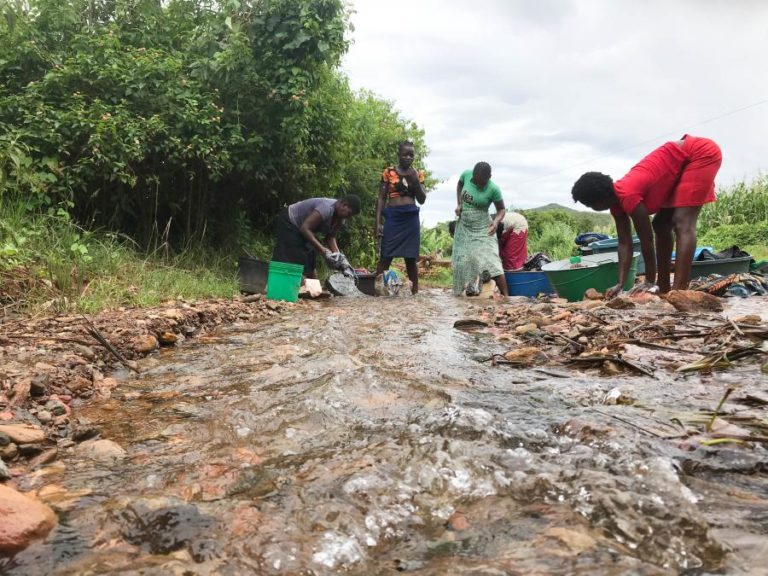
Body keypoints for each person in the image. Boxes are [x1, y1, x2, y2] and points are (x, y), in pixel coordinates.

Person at [571, 135, 722, 296]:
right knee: (661, 225)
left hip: (699, 153)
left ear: (599, 199)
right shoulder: (616, 204)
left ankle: (679, 292)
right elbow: (624, 243)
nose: (592, 208)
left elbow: (647, 240)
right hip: (681, 164)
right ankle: (663, 288)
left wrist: (648, 280)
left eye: (589, 205)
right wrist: (620, 284)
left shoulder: (628, 194)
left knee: (683, 222)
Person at [375, 141, 427, 294]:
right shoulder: (388, 172)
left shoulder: (418, 174)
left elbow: (422, 199)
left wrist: (415, 180)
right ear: (398, 155)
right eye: (405, 154)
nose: (408, 157)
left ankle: (415, 293)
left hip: (410, 218)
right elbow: (381, 198)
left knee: (410, 258)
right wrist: (377, 222)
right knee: (386, 255)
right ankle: (376, 291)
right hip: (393, 217)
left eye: (411, 155)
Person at [452, 162, 509, 296]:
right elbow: (459, 185)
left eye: (483, 182)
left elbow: (501, 209)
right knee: (463, 260)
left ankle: (506, 296)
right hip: (464, 225)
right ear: (473, 175)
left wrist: (495, 222)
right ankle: (462, 293)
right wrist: (459, 204)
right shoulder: (466, 175)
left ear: (489, 177)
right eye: (477, 181)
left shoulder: (493, 189)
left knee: (491, 259)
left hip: (483, 226)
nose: (480, 185)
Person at [272, 195, 361, 280]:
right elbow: (305, 228)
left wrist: (339, 257)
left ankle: (314, 285)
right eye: (349, 213)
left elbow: (330, 237)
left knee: (310, 254)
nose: (348, 217)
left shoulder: (340, 219)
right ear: (344, 204)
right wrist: (323, 250)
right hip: (290, 221)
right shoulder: (326, 208)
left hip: (304, 228)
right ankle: (283, 284)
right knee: (293, 253)